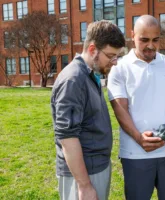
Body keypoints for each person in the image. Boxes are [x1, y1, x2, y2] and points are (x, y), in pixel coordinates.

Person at [107, 15, 165, 200]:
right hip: (136, 153)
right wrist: (138, 138)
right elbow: (120, 109)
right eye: (144, 40)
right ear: (132, 35)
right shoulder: (119, 67)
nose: (150, 45)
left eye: (155, 40)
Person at [51, 20, 125, 200]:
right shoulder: (73, 80)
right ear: (92, 49)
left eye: (117, 57)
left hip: (95, 167)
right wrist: (84, 186)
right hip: (84, 175)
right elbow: (67, 137)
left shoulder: (91, 74)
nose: (114, 62)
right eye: (110, 56)